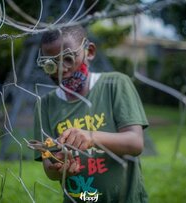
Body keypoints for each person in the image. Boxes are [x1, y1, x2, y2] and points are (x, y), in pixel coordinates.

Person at [34, 24, 149, 203]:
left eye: (69, 59)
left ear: (90, 52)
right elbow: (49, 168)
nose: (61, 69)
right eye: (51, 64)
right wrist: (59, 166)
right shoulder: (45, 105)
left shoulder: (115, 84)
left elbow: (135, 143)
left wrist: (91, 137)